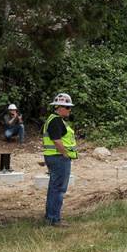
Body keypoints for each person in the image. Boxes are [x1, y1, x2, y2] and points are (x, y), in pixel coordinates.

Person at [42, 93, 77, 226]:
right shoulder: (55, 120)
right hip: (58, 158)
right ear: (60, 107)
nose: (69, 110)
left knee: (54, 188)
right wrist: (65, 154)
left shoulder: (54, 119)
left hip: (54, 157)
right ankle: (54, 219)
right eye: (67, 107)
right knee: (59, 189)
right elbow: (56, 140)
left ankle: (50, 217)